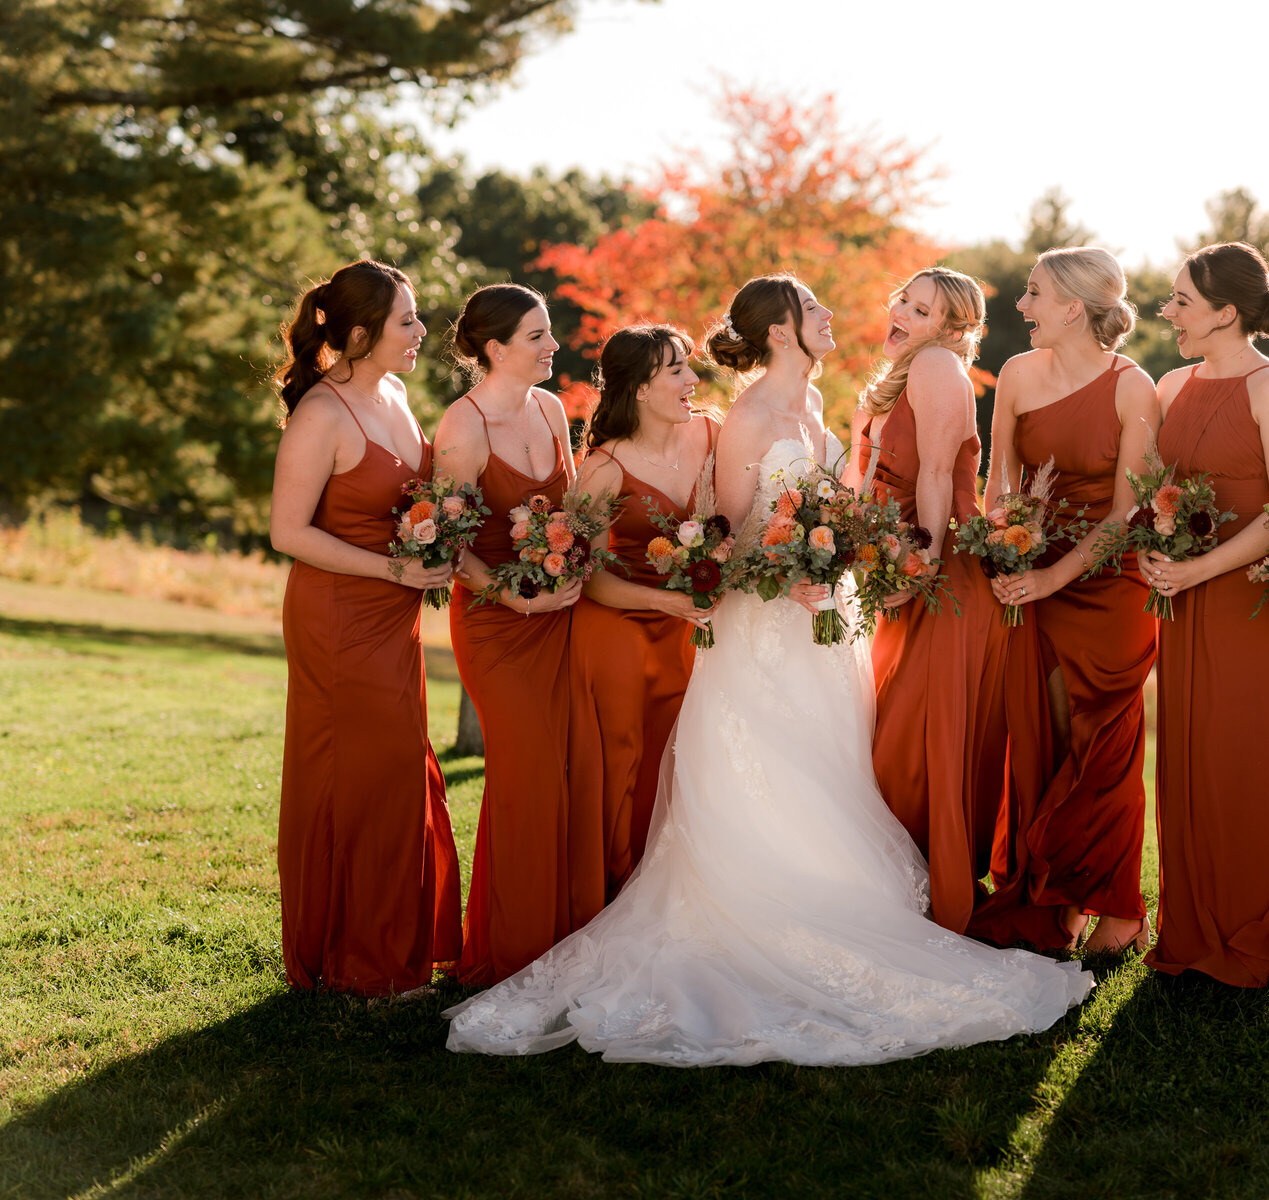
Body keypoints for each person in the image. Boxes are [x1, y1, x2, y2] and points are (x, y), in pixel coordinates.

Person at [443, 274, 1093, 1065]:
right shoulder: (746, 418)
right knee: (765, 773)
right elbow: (731, 538)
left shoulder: (818, 407)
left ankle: (840, 898)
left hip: (825, 622)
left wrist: (842, 550)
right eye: (815, 309)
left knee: (834, 759)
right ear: (782, 332)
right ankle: (763, 911)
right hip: (760, 626)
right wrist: (792, 564)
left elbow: (836, 499)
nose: (833, 316)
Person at [269, 260, 460, 995]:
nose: (420, 332)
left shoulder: (396, 392)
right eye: (405, 321)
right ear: (357, 334)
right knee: (358, 776)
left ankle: (396, 944)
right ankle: (353, 958)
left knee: (398, 771)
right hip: (340, 617)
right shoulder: (322, 415)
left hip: (394, 615)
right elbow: (288, 530)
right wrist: (393, 572)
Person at [1141, 242, 1269, 987]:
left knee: (1244, 760)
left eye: (1182, 301)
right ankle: (1189, 926)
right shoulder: (1172, 381)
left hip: (1249, 602)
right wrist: (1154, 542)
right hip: (1182, 603)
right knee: (1187, 756)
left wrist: (1194, 569)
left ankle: (1252, 929)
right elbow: (1154, 487)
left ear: (1225, 312)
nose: (1169, 312)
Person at [972, 247, 1161, 955]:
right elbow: (1000, 486)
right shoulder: (1018, 375)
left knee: (1102, 747)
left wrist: (1055, 578)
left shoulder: (1132, 388)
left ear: (1073, 308)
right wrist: (1003, 549)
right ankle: (1053, 901)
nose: (1020, 308)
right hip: (1031, 572)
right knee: (1047, 739)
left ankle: (1117, 911)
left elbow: (1126, 516)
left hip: (1109, 588)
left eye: (1033, 294)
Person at [845, 267, 1012, 934]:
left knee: (919, 739)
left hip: (942, 574)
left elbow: (939, 472)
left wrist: (926, 563)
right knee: (896, 733)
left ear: (952, 329)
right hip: (899, 572)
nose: (902, 313)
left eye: (923, 310)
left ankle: (935, 892)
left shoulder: (938, 366)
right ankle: (902, 886)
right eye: (904, 301)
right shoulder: (898, 374)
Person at [433, 283, 585, 986]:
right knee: (525, 776)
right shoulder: (461, 429)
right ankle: (512, 950)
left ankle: (568, 934)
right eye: (538, 336)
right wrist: (515, 599)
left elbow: (575, 514)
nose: (553, 346)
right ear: (495, 350)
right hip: (498, 624)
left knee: (566, 775)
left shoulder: (553, 409)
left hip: (563, 620)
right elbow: (445, 546)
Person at [568, 324, 717, 896]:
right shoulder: (603, 469)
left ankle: (665, 888)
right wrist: (666, 601)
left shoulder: (708, 434)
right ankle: (609, 886)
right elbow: (591, 578)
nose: (692, 381)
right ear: (639, 389)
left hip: (687, 621)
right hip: (619, 623)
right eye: (676, 370)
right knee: (625, 756)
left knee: (678, 754)